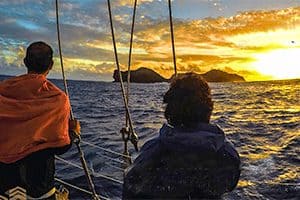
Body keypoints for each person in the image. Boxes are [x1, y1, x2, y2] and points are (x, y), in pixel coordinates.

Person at [123, 73, 241, 199]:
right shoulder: (228, 154)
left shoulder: (151, 154)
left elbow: (130, 192)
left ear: (169, 111)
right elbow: (229, 185)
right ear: (208, 109)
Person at [0, 41, 80, 199]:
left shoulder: (3, 91)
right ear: (51, 65)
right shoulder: (59, 99)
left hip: (4, 183)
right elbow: (60, 146)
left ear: (25, 62)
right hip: (39, 187)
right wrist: (73, 132)